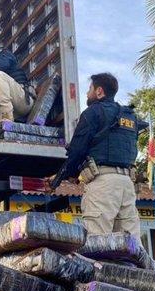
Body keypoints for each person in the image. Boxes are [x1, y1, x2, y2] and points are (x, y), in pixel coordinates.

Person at [48, 73, 147, 238]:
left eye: (89, 89)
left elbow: (77, 150)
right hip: (127, 185)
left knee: (97, 242)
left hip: (103, 184)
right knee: (130, 246)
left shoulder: (93, 112)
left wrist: (65, 176)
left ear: (99, 91)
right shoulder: (130, 117)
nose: (87, 94)